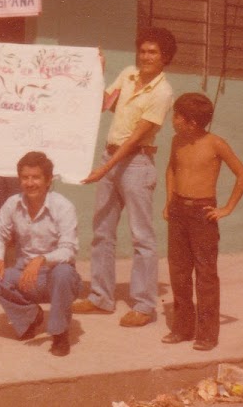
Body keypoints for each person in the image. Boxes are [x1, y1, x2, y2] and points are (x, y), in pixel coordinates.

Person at [75, 27, 177, 328]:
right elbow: (105, 104)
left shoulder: (163, 92)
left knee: (142, 237)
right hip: (111, 157)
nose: (146, 57)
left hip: (136, 164)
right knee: (102, 232)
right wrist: (98, 73)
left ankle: (144, 305)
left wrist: (104, 170)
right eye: (143, 51)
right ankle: (100, 297)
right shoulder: (129, 74)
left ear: (165, 58)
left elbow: (135, 139)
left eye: (153, 52)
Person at [160, 93, 243, 351]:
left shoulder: (216, 144)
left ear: (192, 122)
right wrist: (168, 201)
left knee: (206, 275)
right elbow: (171, 169)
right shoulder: (177, 141)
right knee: (178, 273)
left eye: (177, 116)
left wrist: (227, 208)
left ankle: (208, 334)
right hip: (178, 211)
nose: (173, 120)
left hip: (202, 214)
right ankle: (183, 328)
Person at [0, 152, 81, 357]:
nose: (30, 183)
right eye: (25, 178)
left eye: (36, 177)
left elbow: (69, 249)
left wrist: (42, 260)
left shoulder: (63, 206)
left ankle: (59, 333)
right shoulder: (12, 203)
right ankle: (29, 316)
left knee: (63, 273)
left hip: (55, 276)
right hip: (25, 274)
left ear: (48, 180)